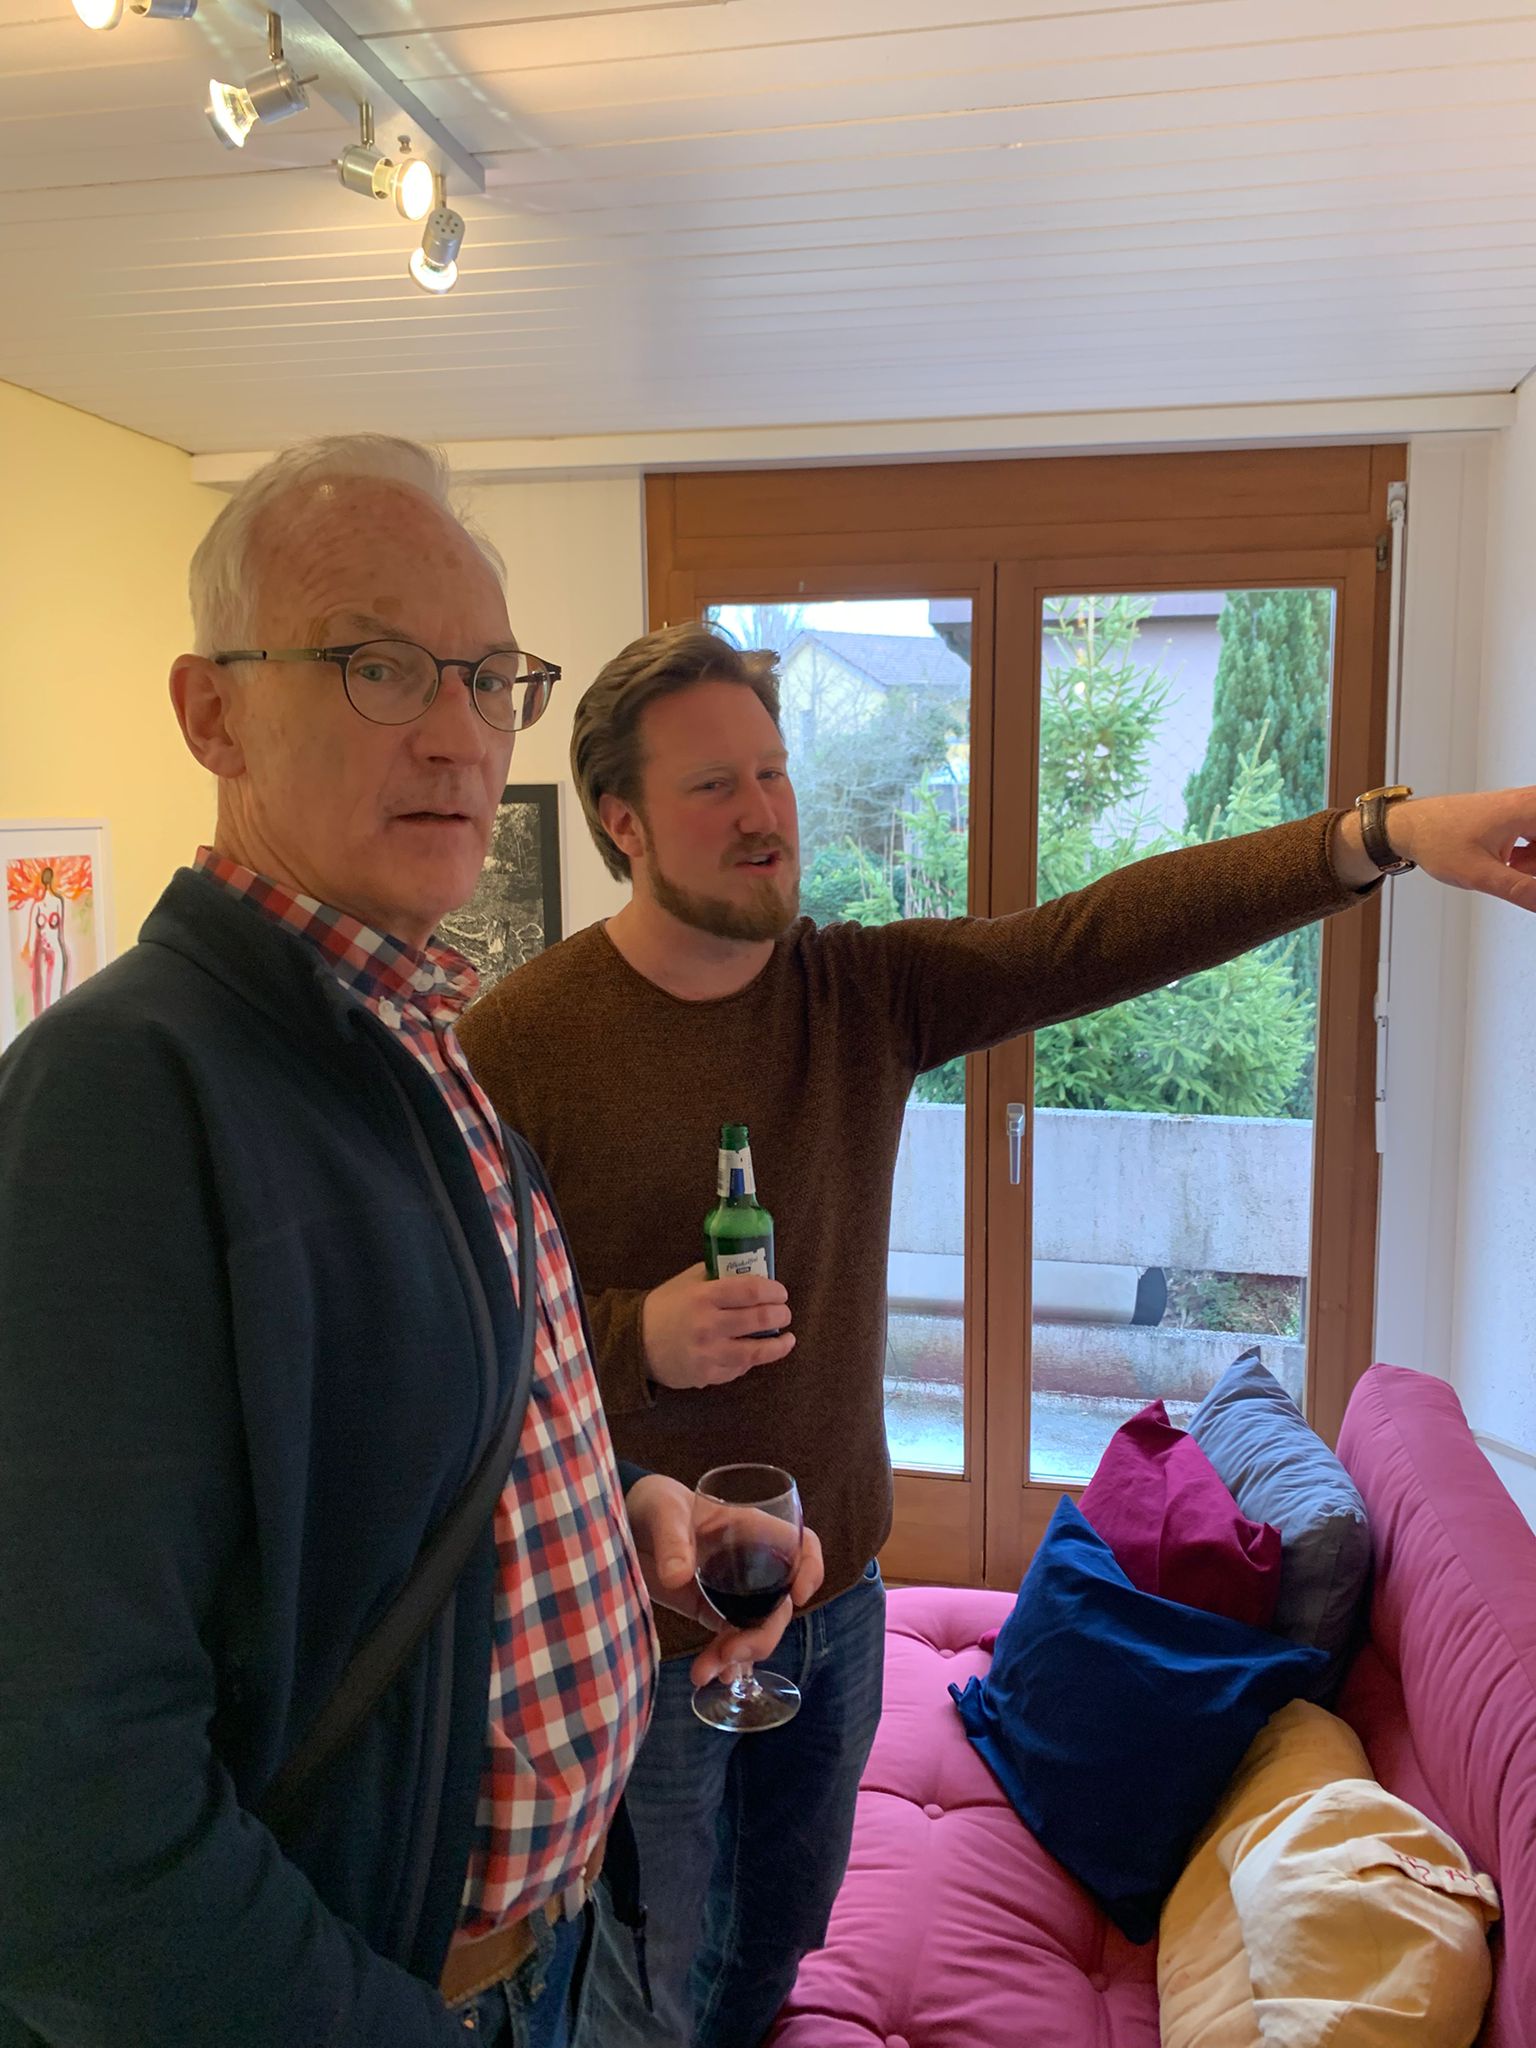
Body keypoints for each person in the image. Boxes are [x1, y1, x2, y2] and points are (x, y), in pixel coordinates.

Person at [457, 620, 1536, 2048]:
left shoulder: (858, 994)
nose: (765, 811)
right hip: (635, 1618)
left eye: (774, 772)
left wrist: (1376, 836)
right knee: (644, 1988)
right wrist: (630, 1338)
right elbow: (456, 1341)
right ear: (623, 821)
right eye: (714, 785)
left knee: (778, 1941)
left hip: (839, 1597)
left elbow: (1098, 937)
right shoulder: (518, 1040)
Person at [0, 449, 821, 2048]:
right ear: (212, 714)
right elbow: (63, 1783)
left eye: (489, 677)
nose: (458, 733)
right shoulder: (118, 1100)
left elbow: (385, 1487)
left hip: (535, 1963)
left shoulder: (416, 1034)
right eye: (378, 666)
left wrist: (622, 1515)